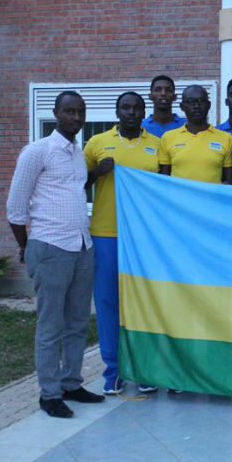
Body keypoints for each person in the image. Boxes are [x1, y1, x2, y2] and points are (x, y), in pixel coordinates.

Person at [7, 91, 105, 418]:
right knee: (51, 326)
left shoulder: (77, 153)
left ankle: (71, 382)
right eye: (69, 112)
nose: (76, 118)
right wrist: (26, 245)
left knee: (77, 323)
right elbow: (15, 209)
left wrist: (97, 174)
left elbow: (73, 188)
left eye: (81, 112)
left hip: (81, 247)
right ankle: (49, 394)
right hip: (50, 247)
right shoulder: (38, 152)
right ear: (56, 113)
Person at [84, 92, 160, 395]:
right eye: (125, 107)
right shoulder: (97, 143)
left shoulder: (158, 145)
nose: (131, 112)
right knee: (107, 303)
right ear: (117, 111)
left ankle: (144, 369)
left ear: (144, 112)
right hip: (106, 233)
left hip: (146, 236)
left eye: (136, 107)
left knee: (145, 301)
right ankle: (113, 371)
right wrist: (96, 173)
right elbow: (75, 182)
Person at [158, 85, 232, 185]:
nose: (196, 106)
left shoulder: (226, 138)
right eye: (190, 101)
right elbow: (164, 181)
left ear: (208, 105)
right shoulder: (168, 138)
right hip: (178, 200)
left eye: (201, 101)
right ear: (182, 107)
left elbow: (228, 182)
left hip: (211, 200)